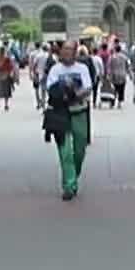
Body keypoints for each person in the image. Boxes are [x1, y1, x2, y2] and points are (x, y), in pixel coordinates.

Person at [42, 40, 94, 200]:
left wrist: (76, 94)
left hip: (79, 112)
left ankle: (73, 176)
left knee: (79, 149)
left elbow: (88, 88)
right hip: (60, 114)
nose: (65, 52)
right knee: (65, 153)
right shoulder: (55, 69)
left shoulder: (82, 68)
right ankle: (69, 186)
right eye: (64, 49)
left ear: (75, 52)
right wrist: (64, 94)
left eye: (69, 50)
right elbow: (50, 88)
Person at [0, 45, 17, 112]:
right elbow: (10, 67)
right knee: (6, 92)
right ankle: (6, 105)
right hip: (5, 76)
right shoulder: (7, 59)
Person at [105, 42, 130, 108]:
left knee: (114, 89)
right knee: (121, 89)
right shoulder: (124, 57)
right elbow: (128, 66)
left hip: (114, 76)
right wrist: (129, 74)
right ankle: (119, 103)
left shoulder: (112, 57)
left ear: (115, 49)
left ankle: (112, 103)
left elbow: (109, 67)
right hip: (122, 75)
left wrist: (108, 75)